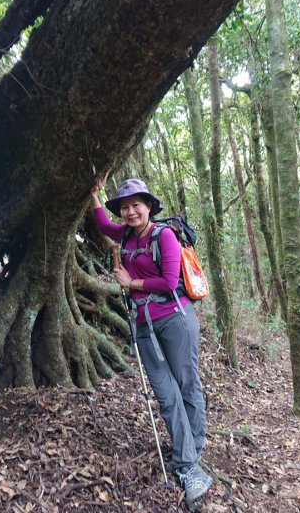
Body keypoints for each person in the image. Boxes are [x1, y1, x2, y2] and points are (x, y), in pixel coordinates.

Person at [90, 177, 212, 510]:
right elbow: (103, 222)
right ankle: (188, 458)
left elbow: (169, 281)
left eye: (136, 205)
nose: (130, 212)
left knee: (187, 384)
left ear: (149, 206)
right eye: (125, 207)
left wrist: (132, 282)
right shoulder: (125, 234)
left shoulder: (164, 236)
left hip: (175, 318)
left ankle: (190, 458)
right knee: (165, 393)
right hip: (143, 324)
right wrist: (95, 195)